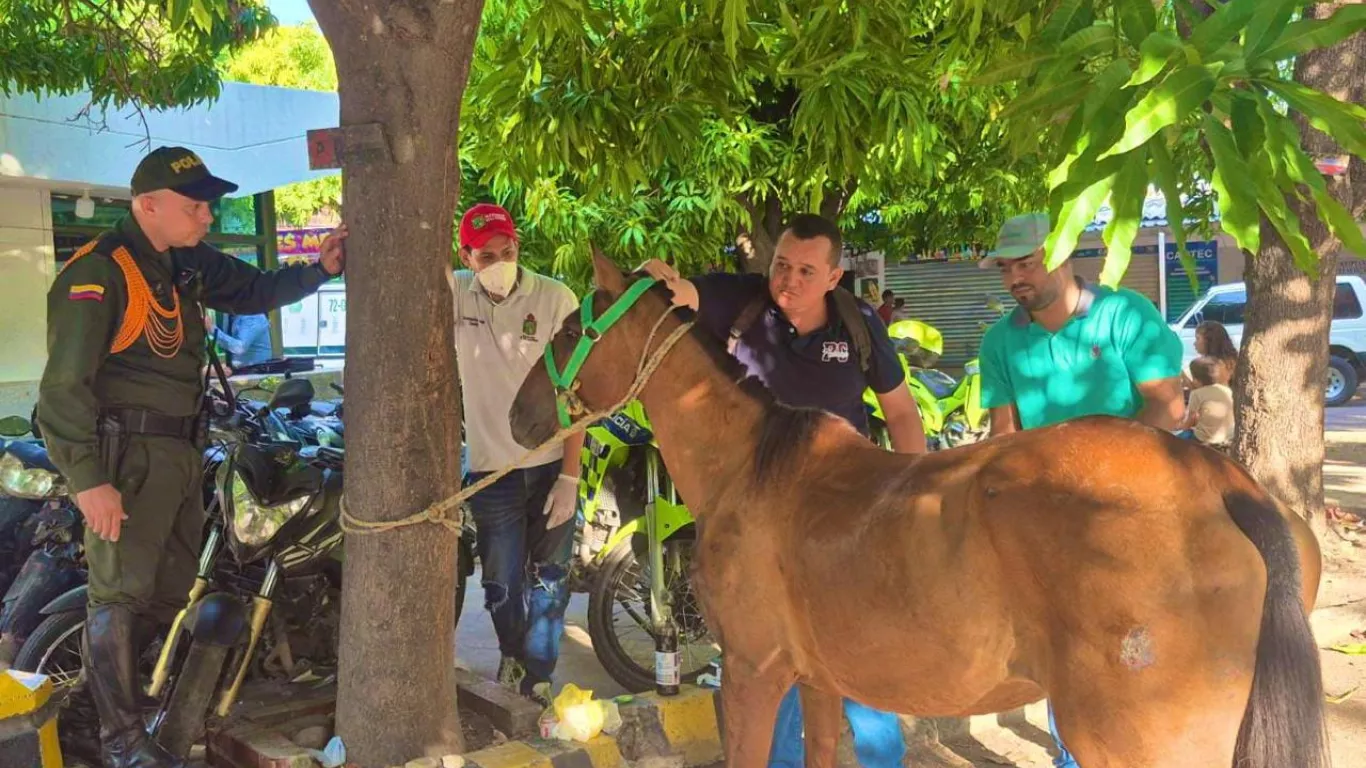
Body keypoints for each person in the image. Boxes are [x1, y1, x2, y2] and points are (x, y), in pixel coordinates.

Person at [37, 146, 346, 768]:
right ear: (147, 205)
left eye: (208, 205)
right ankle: (123, 743)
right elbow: (61, 389)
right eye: (195, 206)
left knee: (168, 588)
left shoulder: (181, 262)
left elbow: (252, 289)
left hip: (182, 451)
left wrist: (319, 268)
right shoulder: (99, 274)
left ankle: (110, 718)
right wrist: (88, 479)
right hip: (127, 458)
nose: (207, 216)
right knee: (119, 594)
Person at [642, 213, 926, 768]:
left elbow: (900, 412)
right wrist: (657, 279)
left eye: (805, 270)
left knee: (867, 685)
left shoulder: (858, 323)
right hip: (761, 535)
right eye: (781, 265)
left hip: (847, 528)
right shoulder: (741, 303)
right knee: (769, 681)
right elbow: (679, 294)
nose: (788, 281)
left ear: (833, 277)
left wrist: (910, 505)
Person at [977, 212, 1184, 768]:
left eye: (1027, 262)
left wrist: (1114, 482)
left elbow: (1168, 405)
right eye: (1006, 268)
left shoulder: (1124, 315)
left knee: (1139, 645)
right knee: (1065, 645)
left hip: (1133, 502)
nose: (1016, 277)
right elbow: (1005, 436)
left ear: (1064, 255)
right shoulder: (1000, 341)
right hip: (1049, 519)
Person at [449, 203, 583, 707]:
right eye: (487, 256)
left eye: (507, 251)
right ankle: (511, 654)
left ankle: (540, 678)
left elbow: (576, 396)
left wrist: (570, 477)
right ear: (467, 256)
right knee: (501, 583)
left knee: (551, 581)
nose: (500, 262)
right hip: (492, 472)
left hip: (550, 466)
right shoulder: (457, 292)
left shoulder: (555, 298)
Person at [1178, 356, 1234, 446]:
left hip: (1204, 439)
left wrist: (1180, 428)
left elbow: (1190, 420)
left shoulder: (1196, 394)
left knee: (1175, 440)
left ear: (1196, 380)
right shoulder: (1227, 390)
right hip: (1228, 436)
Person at [207, 311, 272, 367]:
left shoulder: (253, 315)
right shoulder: (228, 315)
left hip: (256, 371)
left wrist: (212, 329)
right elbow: (227, 342)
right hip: (239, 370)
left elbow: (240, 348)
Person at [1186, 320, 1238, 388]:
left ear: (1209, 340)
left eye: (1198, 338)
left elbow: (1202, 391)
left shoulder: (1213, 366)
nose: (1194, 343)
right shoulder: (1231, 360)